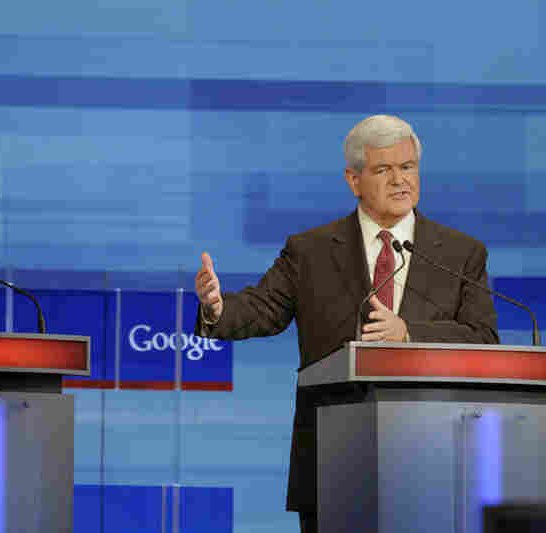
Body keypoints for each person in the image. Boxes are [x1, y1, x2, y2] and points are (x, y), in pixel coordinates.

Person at [193, 115, 499, 533]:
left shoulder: (462, 254)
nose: (399, 180)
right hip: (331, 458)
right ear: (354, 180)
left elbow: (483, 337)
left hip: (437, 462)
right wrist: (216, 308)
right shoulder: (310, 251)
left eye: (407, 167)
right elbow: (262, 308)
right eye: (383, 169)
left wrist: (409, 333)